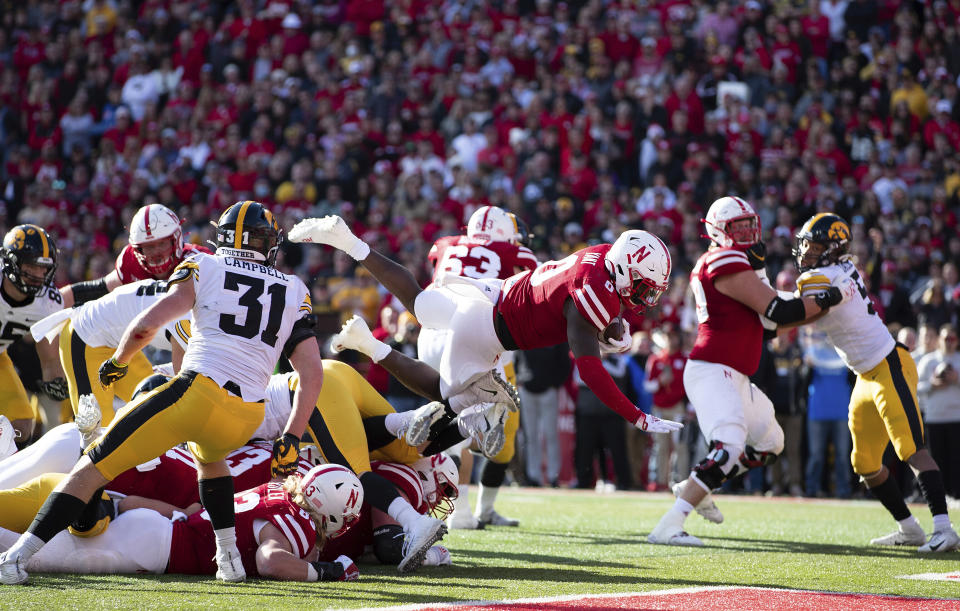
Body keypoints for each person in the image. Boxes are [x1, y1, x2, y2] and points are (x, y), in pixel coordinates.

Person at [0, 201, 321, 585]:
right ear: (269, 243)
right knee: (211, 461)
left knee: (92, 465)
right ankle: (229, 558)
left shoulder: (205, 265)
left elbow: (150, 323)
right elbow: (311, 372)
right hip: (247, 412)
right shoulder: (294, 288)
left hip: (197, 393)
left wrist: (120, 359)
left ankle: (17, 558)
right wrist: (292, 436)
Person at [290, 216, 683, 462]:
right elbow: (591, 369)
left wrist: (612, 327)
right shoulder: (594, 294)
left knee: (421, 304)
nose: (647, 297)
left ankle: (348, 242)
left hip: (487, 292)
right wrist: (637, 415)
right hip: (489, 330)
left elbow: (586, 307)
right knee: (444, 402)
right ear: (628, 269)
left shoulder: (599, 256)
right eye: (647, 287)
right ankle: (474, 411)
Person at [648, 196, 846, 547]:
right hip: (713, 369)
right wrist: (824, 300)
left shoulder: (739, 262)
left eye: (747, 224)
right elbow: (776, 311)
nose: (745, 233)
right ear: (717, 231)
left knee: (771, 443)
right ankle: (669, 524)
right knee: (728, 447)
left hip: (735, 374)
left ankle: (698, 483)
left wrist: (818, 309)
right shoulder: (722, 259)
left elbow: (770, 328)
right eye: (736, 227)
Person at [793, 213, 959, 552]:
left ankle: (944, 528)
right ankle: (909, 528)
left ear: (831, 249)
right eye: (806, 244)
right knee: (865, 462)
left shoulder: (821, 277)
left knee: (912, 450)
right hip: (865, 376)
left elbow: (803, 313)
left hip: (889, 366)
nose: (806, 251)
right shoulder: (836, 270)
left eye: (814, 245)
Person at [0, 464, 366, 582]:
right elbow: (269, 560)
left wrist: (125, 505)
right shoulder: (298, 522)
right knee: (27, 556)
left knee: (24, 543)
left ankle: (103, 504)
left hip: (160, 525)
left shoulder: (277, 492)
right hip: (154, 546)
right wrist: (326, 571)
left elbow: (190, 515)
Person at [419, 206, 538, 530]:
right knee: (470, 424)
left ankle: (467, 508)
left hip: (430, 334)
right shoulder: (515, 252)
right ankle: (462, 511)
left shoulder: (445, 243)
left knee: (446, 420)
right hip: (475, 338)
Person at [30, 279, 185, 427]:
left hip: (121, 341)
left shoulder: (191, 297)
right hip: (86, 336)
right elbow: (187, 387)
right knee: (96, 429)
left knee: (162, 409)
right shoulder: (190, 317)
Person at [59, 204, 211, 308]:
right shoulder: (130, 260)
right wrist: (54, 301)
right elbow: (100, 289)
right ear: (138, 248)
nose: (157, 252)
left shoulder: (200, 261)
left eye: (162, 244)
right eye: (149, 246)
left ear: (176, 240)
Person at [0, 225, 69, 442]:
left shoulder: (47, 304)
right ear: (12, 262)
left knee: (21, 427)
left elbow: (49, 361)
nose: (39, 275)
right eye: (32, 266)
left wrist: (56, 382)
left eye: (44, 268)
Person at [915, 324, 960, 501]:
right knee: (936, 460)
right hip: (934, 418)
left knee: (956, 459)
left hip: (956, 417)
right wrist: (932, 384)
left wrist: (956, 379)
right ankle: (939, 497)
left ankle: (956, 494)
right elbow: (916, 387)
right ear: (939, 340)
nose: (949, 343)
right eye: (945, 338)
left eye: (952, 339)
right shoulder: (929, 360)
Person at [644, 324, 688, 491]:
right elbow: (647, 385)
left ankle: (681, 481)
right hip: (660, 408)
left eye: (674, 336)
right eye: (668, 336)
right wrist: (659, 382)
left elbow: (689, 385)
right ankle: (661, 481)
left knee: (680, 446)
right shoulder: (655, 359)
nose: (671, 340)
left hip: (678, 407)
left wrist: (689, 406)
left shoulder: (684, 360)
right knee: (660, 446)